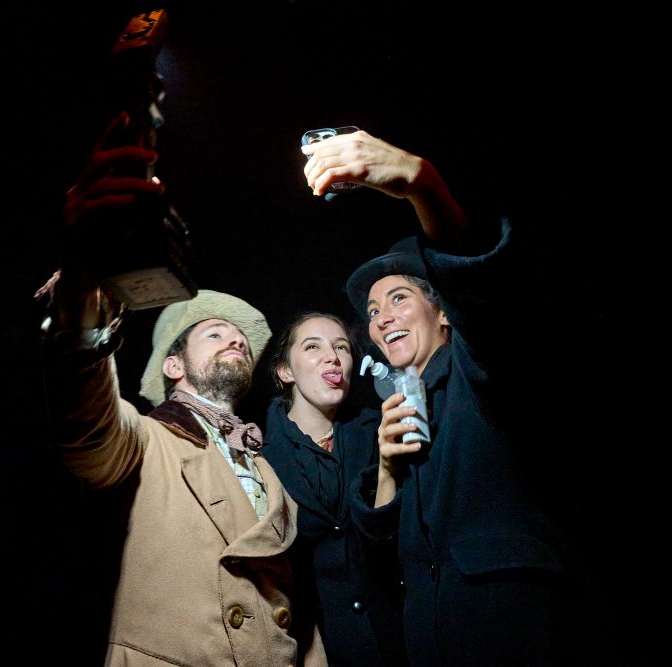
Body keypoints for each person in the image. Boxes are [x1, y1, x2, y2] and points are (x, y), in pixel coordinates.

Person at [301, 130, 617, 665]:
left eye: (399, 297)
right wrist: (385, 471)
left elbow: (487, 296)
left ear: (443, 312)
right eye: (374, 312)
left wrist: (424, 186)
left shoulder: (482, 369)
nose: (382, 320)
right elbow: (381, 548)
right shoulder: (397, 405)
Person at [37, 111, 327, 666]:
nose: (235, 341)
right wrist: (84, 294)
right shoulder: (143, 441)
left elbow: (297, 612)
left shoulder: (267, 467)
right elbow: (84, 420)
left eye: (241, 337)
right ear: (173, 365)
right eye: (215, 333)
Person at [261, 312, 408, 667]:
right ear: (285, 371)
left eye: (341, 347)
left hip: (397, 636)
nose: (333, 356)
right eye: (313, 347)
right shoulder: (260, 458)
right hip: (318, 649)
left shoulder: (382, 429)